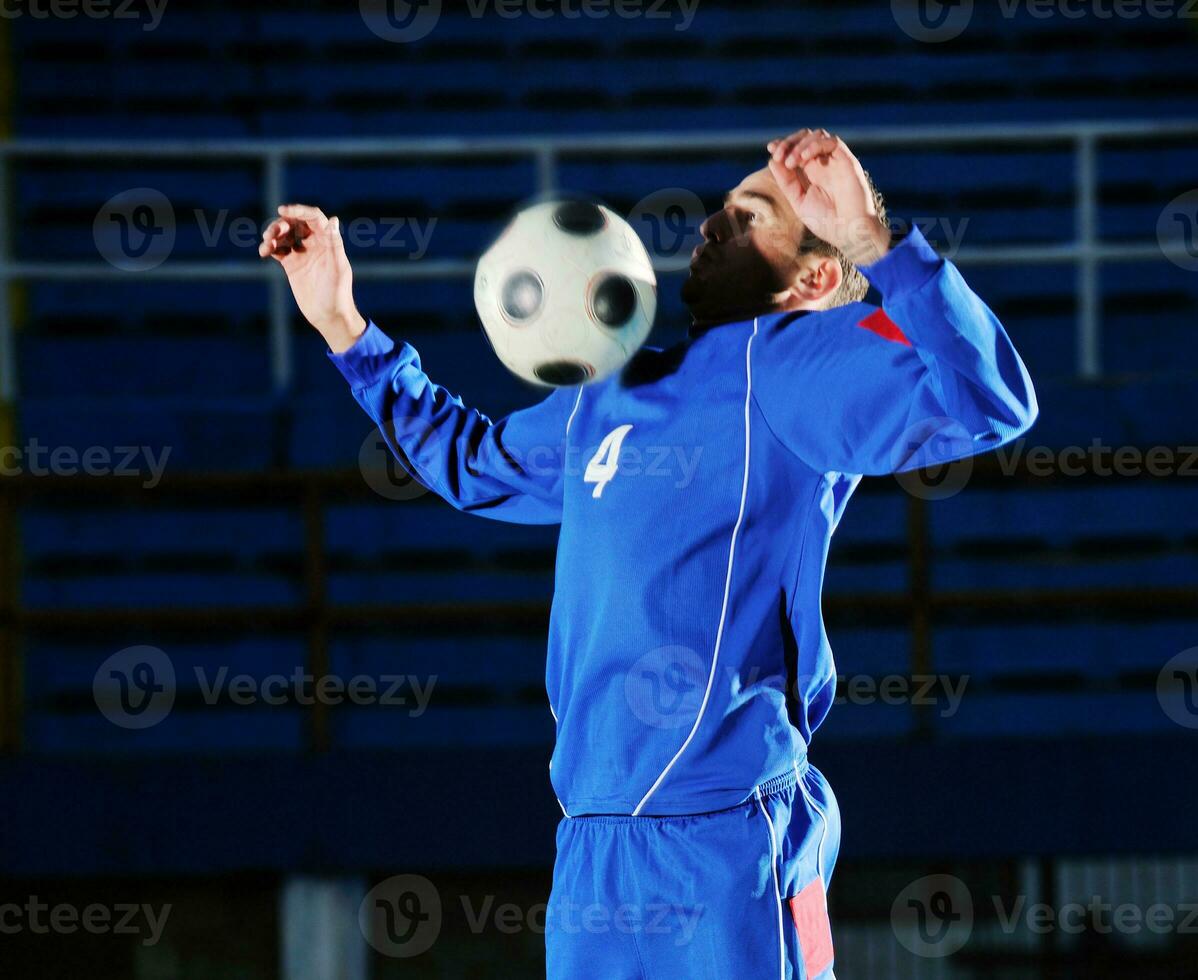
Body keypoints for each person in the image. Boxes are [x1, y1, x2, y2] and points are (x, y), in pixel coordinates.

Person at [259, 128, 1037, 979]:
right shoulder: (613, 389)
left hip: (730, 835)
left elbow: (991, 400)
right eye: (721, 209)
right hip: (593, 845)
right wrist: (342, 322)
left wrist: (866, 243)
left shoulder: (799, 363)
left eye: (749, 218)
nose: (710, 226)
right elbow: (470, 463)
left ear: (813, 278)